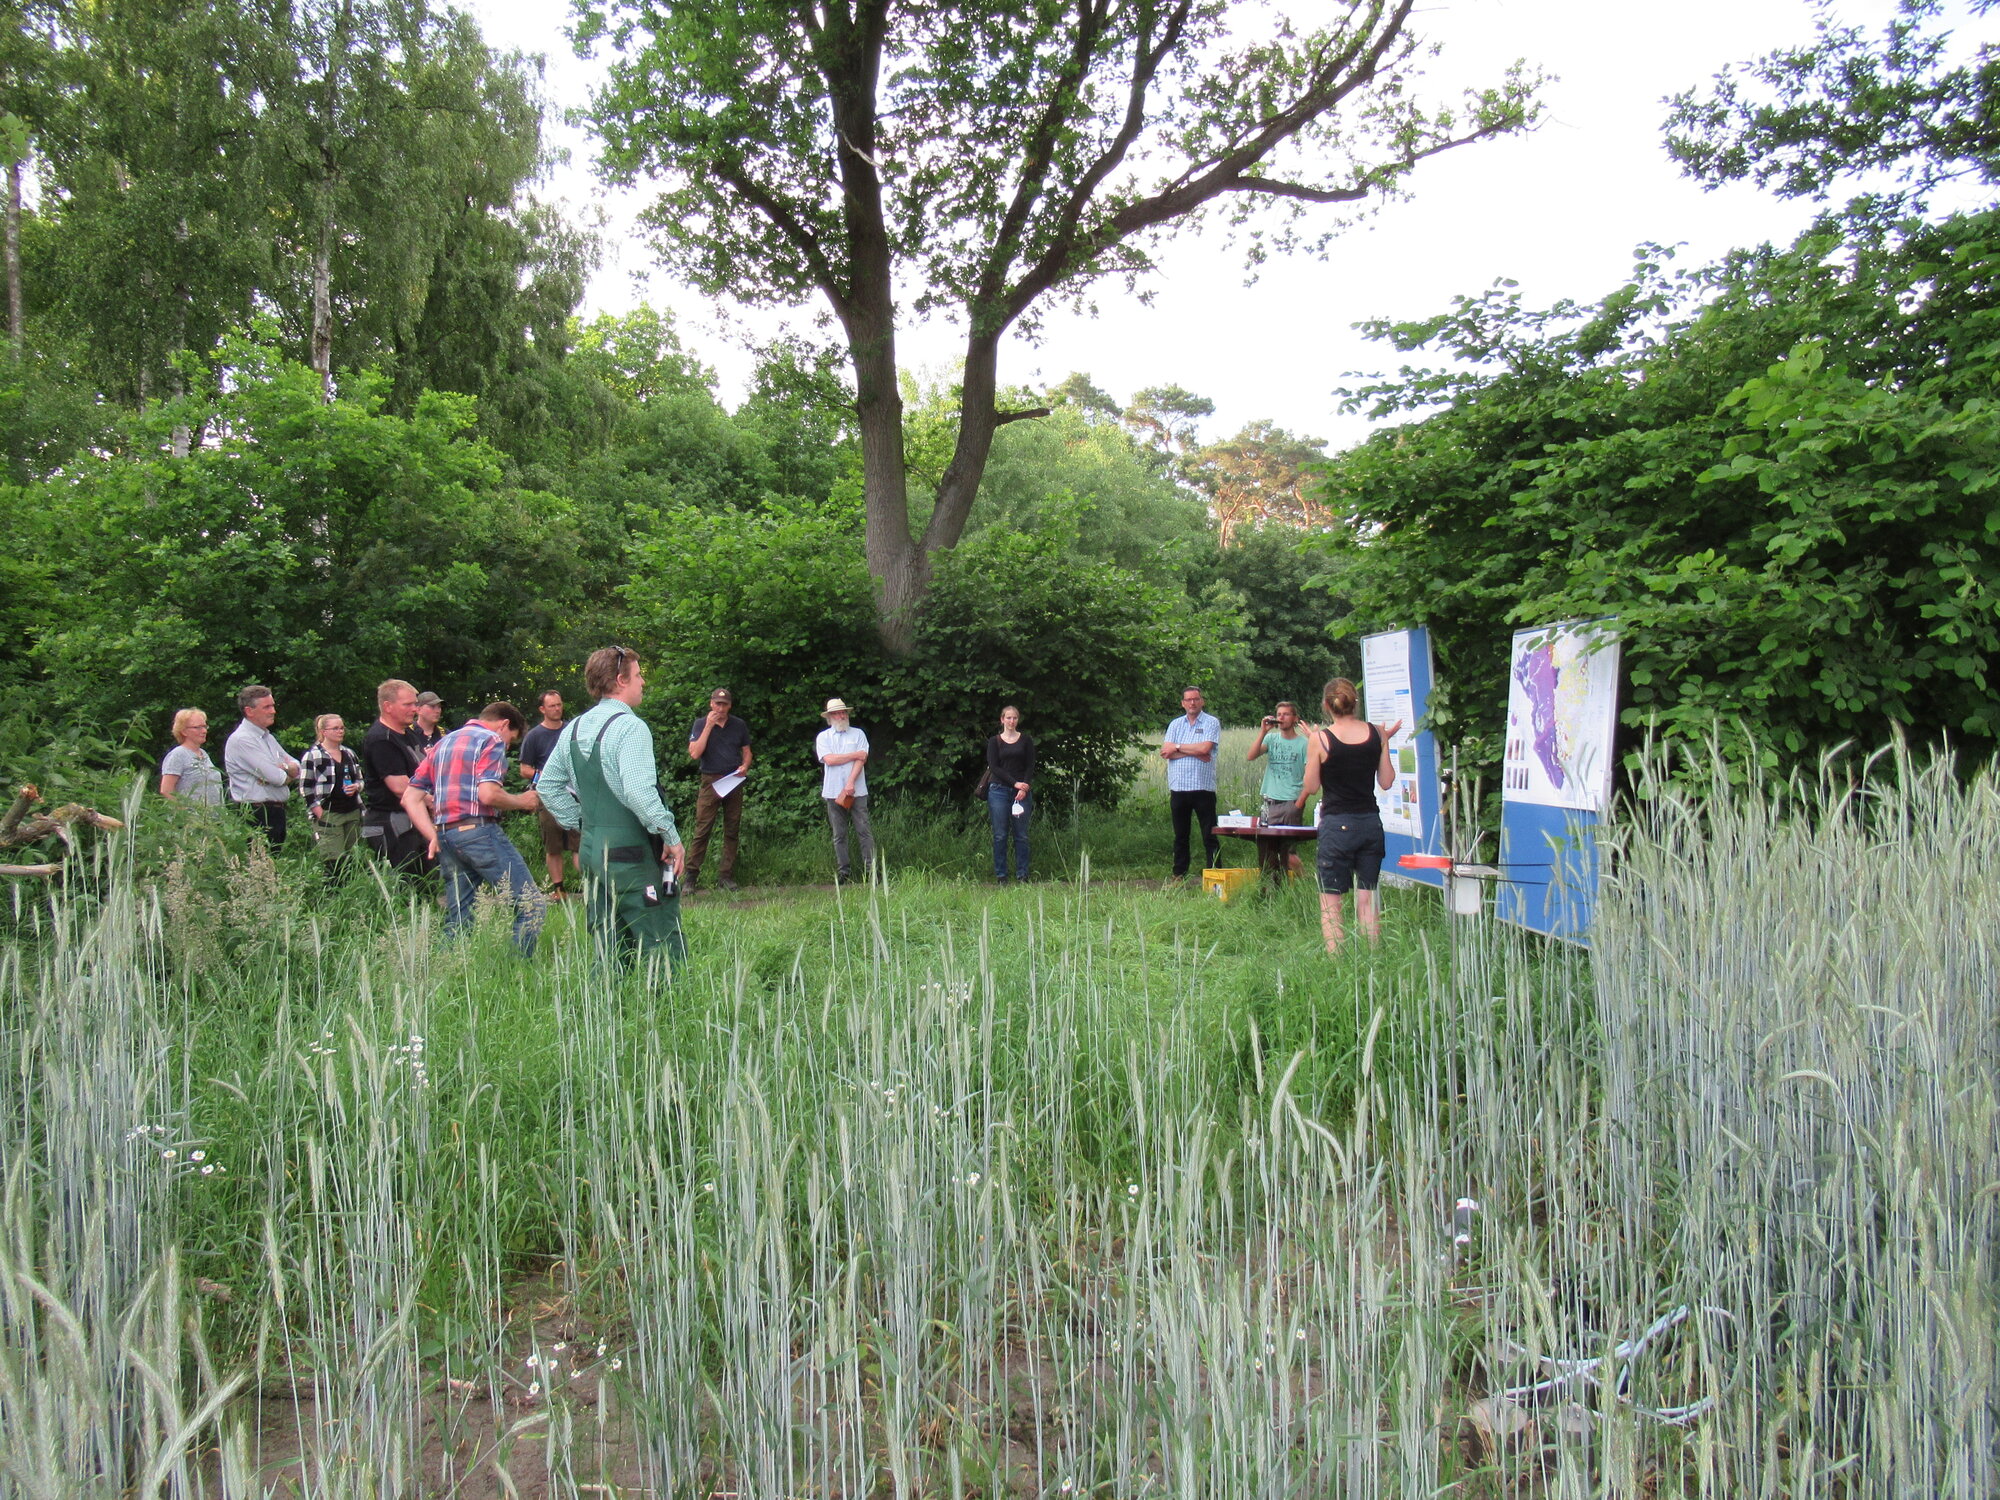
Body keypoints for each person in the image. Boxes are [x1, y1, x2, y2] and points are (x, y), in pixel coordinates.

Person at [535, 646, 688, 970]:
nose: (643, 682)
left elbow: (547, 785)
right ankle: (669, 1012)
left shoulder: (574, 728)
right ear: (620, 680)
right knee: (658, 934)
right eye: (639, 674)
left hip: (591, 850)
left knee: (607, 938)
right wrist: (671, 838)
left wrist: (581, 822)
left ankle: (607, 1010)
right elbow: (639, 792)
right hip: (629, 853)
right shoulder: (631, 728)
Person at [402, 702, 545, 955]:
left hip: (447, 836)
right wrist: (521, 801)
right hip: (478, 832)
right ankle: (519, 973)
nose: (507, 746)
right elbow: (488, 795)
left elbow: (409, 798)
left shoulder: (441, 744)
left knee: (459, 916)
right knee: (531, 905)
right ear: (504, 725)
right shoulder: (490, 740)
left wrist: (432, 835)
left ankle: (447, 973)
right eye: (511, 740)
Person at [1300, 677, 1402, 953]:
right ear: (1356, 703)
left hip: (1336, 825)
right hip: (1370, 823)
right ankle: (1372, 960)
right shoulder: (1377, 734)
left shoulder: (1320, 739)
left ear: (1326, 705)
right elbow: (1387, 781)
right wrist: (1382, 744)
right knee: (1367, 901)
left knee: (1331, 904)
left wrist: (1312, 747)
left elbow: (1310, 787)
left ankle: (1337, 964)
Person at [685, 687, 752, 892]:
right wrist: (708, 726)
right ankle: (690, 878)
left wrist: (745, 766)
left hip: (733, 779)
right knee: (702, 829)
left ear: (729, 705)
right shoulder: (700, 724)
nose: (720, 708)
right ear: (711, 704)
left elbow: (747, 752)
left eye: (724, 704)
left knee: (732, 829)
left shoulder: (738, 725)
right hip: (711, 780)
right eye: (717, 703)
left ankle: (725, 876)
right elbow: (695, 753)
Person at [360, 679, 429, 873]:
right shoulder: (381, 739)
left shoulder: (409, 733)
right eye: (407, 704)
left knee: (427, 882)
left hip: (414, 818)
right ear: (388, 706)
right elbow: (401, 788)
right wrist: (438, 801)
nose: (414, 709)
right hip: (390, 823)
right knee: (405, 887)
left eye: (415, 704)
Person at [519, 689, 578, 896]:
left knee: (578, 842)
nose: (557, 709)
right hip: (548, 795)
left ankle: (589, 885)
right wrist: (542, 774)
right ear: (542, 709)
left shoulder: (572, 729)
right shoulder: (534, 736)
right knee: (553, 845)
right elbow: (524, 769)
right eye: (552, 706)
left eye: (559, 704)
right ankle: (558, 889)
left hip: (574, 794)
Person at [225, 685, 299, 850]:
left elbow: (298, 767)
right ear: (250, 711)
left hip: (275, 812)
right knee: (260, 868)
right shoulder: (242, 740)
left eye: (273, 706)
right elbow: (277, 778)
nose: (273, 711)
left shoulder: (267, 737)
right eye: (267, 707)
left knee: (273, 867)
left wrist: (285, 768)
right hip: (257, 813)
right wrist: (286, 772)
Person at [1160, 686, 1221, 881]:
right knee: (1180, 836)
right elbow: (1165, 752)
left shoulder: (1211, 722)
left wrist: (1177, 747)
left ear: (1202, 701)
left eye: (1196, 699)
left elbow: (1206, 748)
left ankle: (1214, 875)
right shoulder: (1175, 724)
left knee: (1209, 834)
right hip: (1179, 787)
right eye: (1188, 700)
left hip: (1203, 787)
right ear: (1183, 703)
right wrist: (1195, 751)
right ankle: (1179, 874)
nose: (1192, 703)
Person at [815, 698, 875, 884]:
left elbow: (861, 759)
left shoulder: (858, 734)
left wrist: (850, 783)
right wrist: (853, 754)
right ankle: (844, 872)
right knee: (838, 834)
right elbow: (829, 760)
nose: (841, 715)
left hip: (857, 791)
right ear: (830, 716)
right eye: (837, 713)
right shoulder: (823, 737)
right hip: (833, 791)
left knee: (864, 830)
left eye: (844, 712)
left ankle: (871, 871)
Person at [1247, 700, 1310, 874]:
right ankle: (1273, 888)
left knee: (1289, 854)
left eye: (1286, 714)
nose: (1281, 717)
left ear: (1295, 718)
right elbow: (1251, 756)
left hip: (1291, 801)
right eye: (1279, 714)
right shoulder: (1271, 738)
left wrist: (1299, 802)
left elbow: (1311, 775)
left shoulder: (1303, 743)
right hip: (1270, 801)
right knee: (1269, 852)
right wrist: (1262, 732)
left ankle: (1304, 882)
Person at [299, 713, 365, 876]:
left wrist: (357, 786)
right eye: (335, 728)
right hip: (329, 812)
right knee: (333, 860)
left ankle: (352, 893)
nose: (340, 731)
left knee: (352, 858)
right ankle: (333, 893)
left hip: (352, 811)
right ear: (324, 731)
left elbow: (361, 780)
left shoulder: (349, 754)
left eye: (342, 728)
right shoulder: (313, 756)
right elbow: (305, 787)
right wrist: (317, 811)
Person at [984, 705, 1034, 882]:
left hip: (1021, 793)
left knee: (1021, 835)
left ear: (1017, 720)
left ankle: (1022, 875)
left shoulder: (1026, 740)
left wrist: (1023, 787)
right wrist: (1014, 782)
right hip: (998, 791)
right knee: (1000, 835)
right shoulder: (994, 741)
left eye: (1014, 718)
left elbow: (1030, 765)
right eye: (1008, 718)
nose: (1011, 721)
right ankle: (1001, 875)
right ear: (1002, 720)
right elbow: (994, 767)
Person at [159, 708, 224, 806]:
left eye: (205, 726)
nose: (204, 731)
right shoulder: (178, 754)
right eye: (198, 727)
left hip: (212, 818)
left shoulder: (204, 754)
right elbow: (166, 790)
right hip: (191, 819)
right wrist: (183, 814)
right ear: (184, 731)